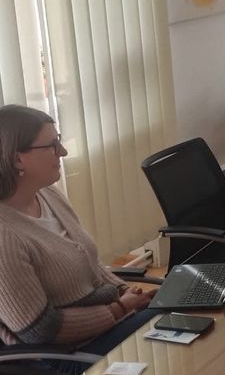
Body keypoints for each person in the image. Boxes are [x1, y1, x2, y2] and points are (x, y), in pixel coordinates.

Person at [0, 105, 155, 358]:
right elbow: (40, 330)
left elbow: (91, 267)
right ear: (17, 158)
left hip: (104, 328)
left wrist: (125, 291)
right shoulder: (4, 237)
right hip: (64, 355)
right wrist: (118, 309)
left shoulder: (47, 193)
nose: (63, 151)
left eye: (59, 141)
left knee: (189, 316)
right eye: (51, 145)